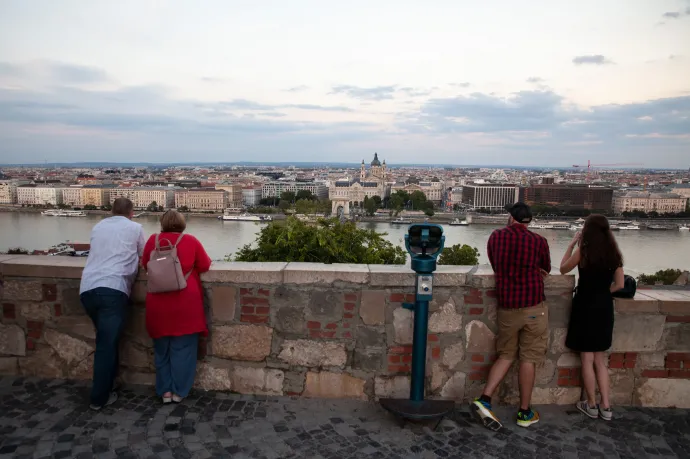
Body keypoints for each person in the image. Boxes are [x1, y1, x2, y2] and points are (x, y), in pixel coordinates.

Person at [470, 202, 551, 430]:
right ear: (528, 221)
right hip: (534, 306)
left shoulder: (496, 237)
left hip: (507, 305)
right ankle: (524, 413)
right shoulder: (538, 241)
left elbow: (496, 264)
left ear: (511, 217)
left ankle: (485, 399)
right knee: (528, 358)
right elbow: (546, 268)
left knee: (505, 354)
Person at [80, 197, 146, 410]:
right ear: (131, 212)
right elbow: (144, 256)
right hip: (113, 288)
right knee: (107, 345)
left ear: (110, 211)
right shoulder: (135, 228)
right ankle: (99, 398)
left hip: (88, 288)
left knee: (107, 340)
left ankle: (110, 383)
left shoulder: (98, 226)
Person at [142, 210, 211, 404]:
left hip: (157, 302)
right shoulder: (191, 241)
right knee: (184, 350)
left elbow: (145, 265)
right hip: (185, 303)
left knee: (161, 349)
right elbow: (205, 265)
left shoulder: (152, 241)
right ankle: (179, 391)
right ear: (182, 224)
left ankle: (164, 391)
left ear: (162, 223)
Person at [560, 214, 624, 422]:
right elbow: (620, 285)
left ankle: (591, 404)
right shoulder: (614, 254)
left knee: (586, 359)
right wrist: (605, 293)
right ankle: (606, 406)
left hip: (585, 306)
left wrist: (571, 245)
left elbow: (563, 269)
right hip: (604, 307)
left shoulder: (584, 252)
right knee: (600, 360)